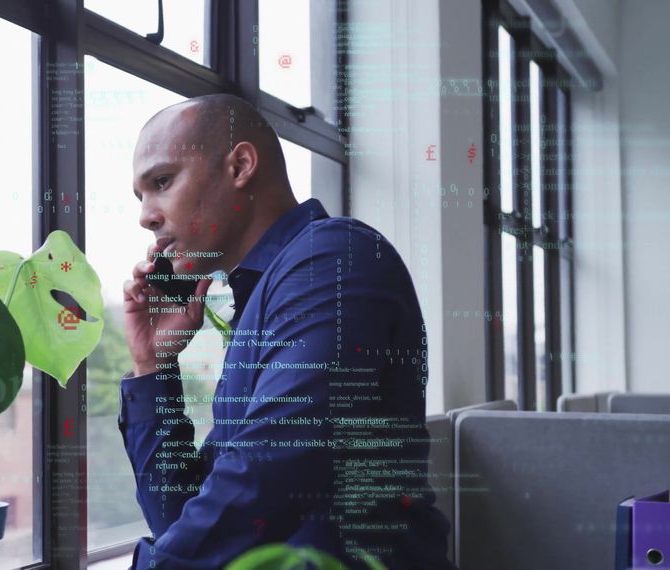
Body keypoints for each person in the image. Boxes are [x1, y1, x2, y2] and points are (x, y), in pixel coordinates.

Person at [118, 93, 456, 569]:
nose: (146, 216)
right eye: (142, 196)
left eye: (162, 181)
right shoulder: (265, 296)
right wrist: (153, 366)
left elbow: (268, 478)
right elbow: (181, 521)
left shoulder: (334, 259)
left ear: (240, 166)